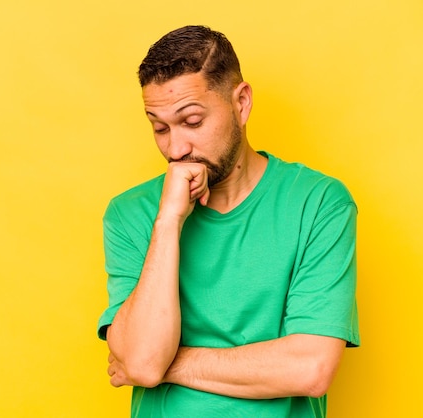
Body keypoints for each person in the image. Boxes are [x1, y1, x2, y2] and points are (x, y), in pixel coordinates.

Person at [97, 25, 359, 418]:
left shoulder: (319, 203)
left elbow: (310, 367)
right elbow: (141, 361)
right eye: (159, 127)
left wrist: (172, 365)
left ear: (241, 103)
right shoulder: (129, 213)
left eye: (192, 120)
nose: (176, 148)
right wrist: (168, 221)